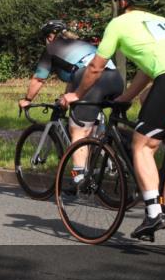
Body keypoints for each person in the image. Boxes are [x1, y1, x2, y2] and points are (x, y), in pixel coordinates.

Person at [62, 0, 165, 240]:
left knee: (141, 145)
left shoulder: (118, 24)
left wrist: (76, 94)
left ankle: (154, 214)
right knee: (148, 102)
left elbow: (95, 67)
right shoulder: (163, 22)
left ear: (121, 2)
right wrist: (126, 97)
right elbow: (148, 71)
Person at [19, 20, 124, 187]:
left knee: (78, 131)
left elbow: (38, 79)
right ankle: (109, 160)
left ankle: (79, 180)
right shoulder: (82, 44)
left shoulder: (51, 48)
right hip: (115, 79)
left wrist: (27, 100)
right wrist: (67, 95)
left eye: (45, 38)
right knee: (92, 128)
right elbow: (75, 75)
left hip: (92, 82)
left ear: (50, 36)